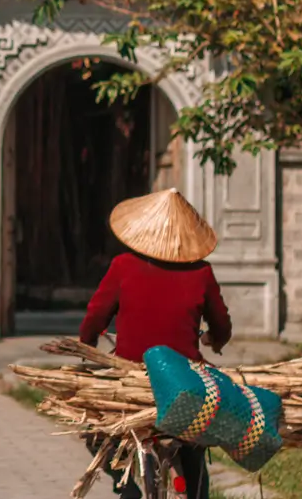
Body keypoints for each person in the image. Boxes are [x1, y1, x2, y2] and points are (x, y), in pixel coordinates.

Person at [78, 187, 232, 499]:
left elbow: (95, 316)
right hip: (186, 379)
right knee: (194, 447)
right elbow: (222, 326)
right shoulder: (202, 273)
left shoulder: (123, 265)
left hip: (133, 376)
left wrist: (88, 343)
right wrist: (213, 339)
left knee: (95, 433)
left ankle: (128, 486)